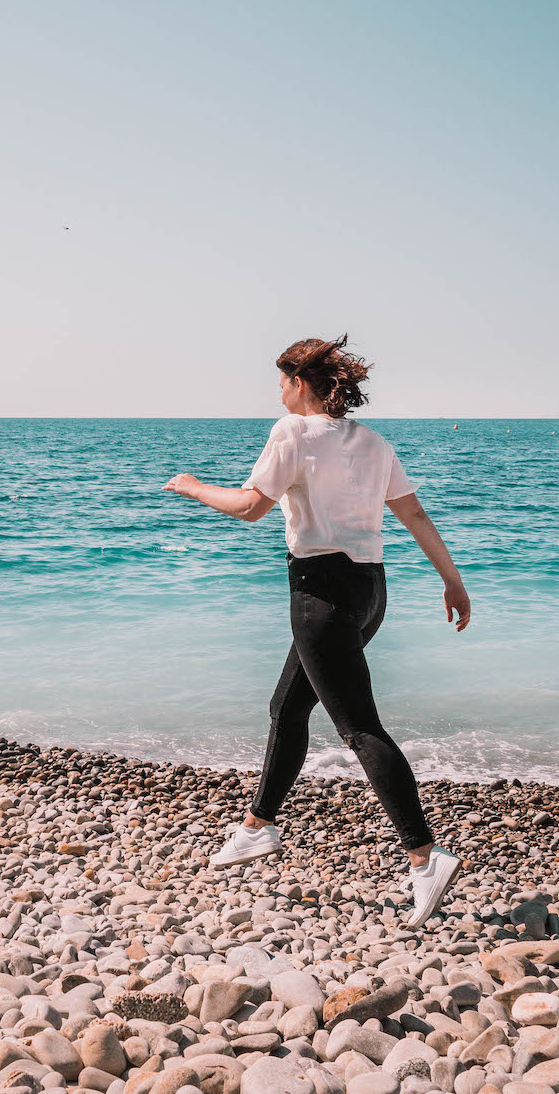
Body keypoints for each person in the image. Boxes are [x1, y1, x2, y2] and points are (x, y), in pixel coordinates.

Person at [162, 334, 472, 928]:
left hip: (319, 594)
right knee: (287, 706)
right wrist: (453, 581)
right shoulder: (373, 442)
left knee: (358, 728)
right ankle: (257, 827)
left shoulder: (292, 433)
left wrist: (193, 487)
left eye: (281, 383)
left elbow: (252, 507)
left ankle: (425, 857)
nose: (278, 394)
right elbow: (413, 514)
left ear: (300, 382)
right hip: (369, 592)